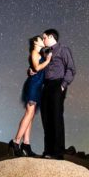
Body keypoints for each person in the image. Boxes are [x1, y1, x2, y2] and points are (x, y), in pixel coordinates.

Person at [36, 28, 76, 159]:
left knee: (56, 118)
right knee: (46, 118)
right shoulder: (45, 52)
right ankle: (48, 151)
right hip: (45, 86)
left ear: (51, 37)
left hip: (57, 85)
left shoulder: (63, 49)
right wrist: (32, 71)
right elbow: (39, 67)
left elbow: (71, 68)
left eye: (44, 37)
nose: (43, 40)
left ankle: (58, 153)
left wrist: (63, 86)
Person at [9, 35, 52, 157]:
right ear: (35, 42)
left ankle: (26, 145)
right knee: (29, 113)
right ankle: (16, 142)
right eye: (41, 39)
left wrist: (31, 68)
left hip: (38, 86)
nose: (43, 41)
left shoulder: (42, 53)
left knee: (31, 115)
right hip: (33, 85)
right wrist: (47, 61)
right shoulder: (34, 52)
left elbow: (35, 67)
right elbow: (37, 67)